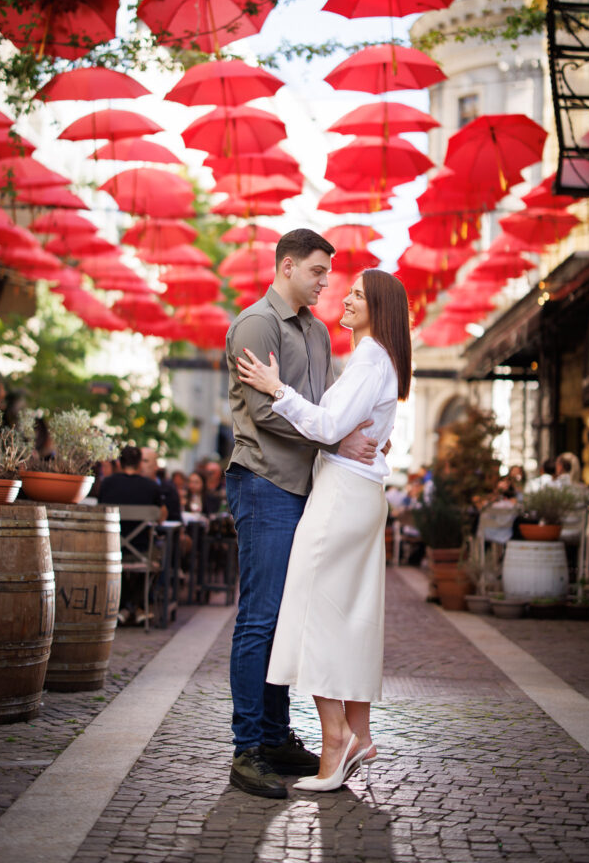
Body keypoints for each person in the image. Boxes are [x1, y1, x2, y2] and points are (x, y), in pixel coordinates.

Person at [237, 269, 411, 793]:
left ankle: (335, 742)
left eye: (358, 293)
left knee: (308, 615)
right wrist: (344, 440)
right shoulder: (377, 359)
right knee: (349, 617)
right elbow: (342, 429)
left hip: (340, 497)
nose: (346, 297)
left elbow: (329, 426)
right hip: (356, 493)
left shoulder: (369, 358)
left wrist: (276, 388)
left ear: (379, 307)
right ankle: (358, 732)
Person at [98, 444, 167, 625]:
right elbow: (161, 517)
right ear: (139, 464)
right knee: (159, 557)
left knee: (127, 565)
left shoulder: (107, 484)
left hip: (110, 550)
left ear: (119, 464)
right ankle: (135, 607)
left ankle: (124, 608)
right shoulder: (151, 487)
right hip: (141, 551)